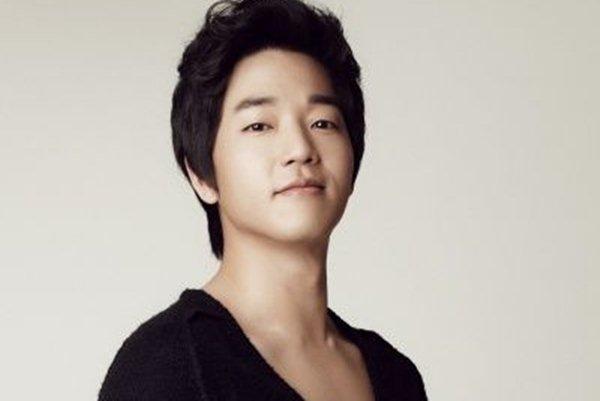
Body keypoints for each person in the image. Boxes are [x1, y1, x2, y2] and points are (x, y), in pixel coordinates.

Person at [98, 0, 428, 400]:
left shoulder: (395, 376)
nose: (300, 148)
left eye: (322, 122)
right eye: (259, 126)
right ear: (202, 175)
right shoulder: (166, 366)